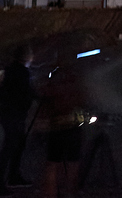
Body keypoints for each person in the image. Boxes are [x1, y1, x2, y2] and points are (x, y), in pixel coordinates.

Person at [39, 50, 88, 198]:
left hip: (56, 125)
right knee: (73, 163)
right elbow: (83, 98)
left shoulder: (53, 77)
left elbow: (45, 98)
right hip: (73, 125)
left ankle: (51, 193)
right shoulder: (76, 78)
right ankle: (70, 192)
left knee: (52, 163)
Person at [0, 44, 36, 197]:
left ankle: (13, 176)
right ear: (26, 56)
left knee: (17, 145)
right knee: (9, 147)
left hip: (8, 113)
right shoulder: (22, 72)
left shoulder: (8, 71)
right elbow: (25, 92)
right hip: (14, 114)